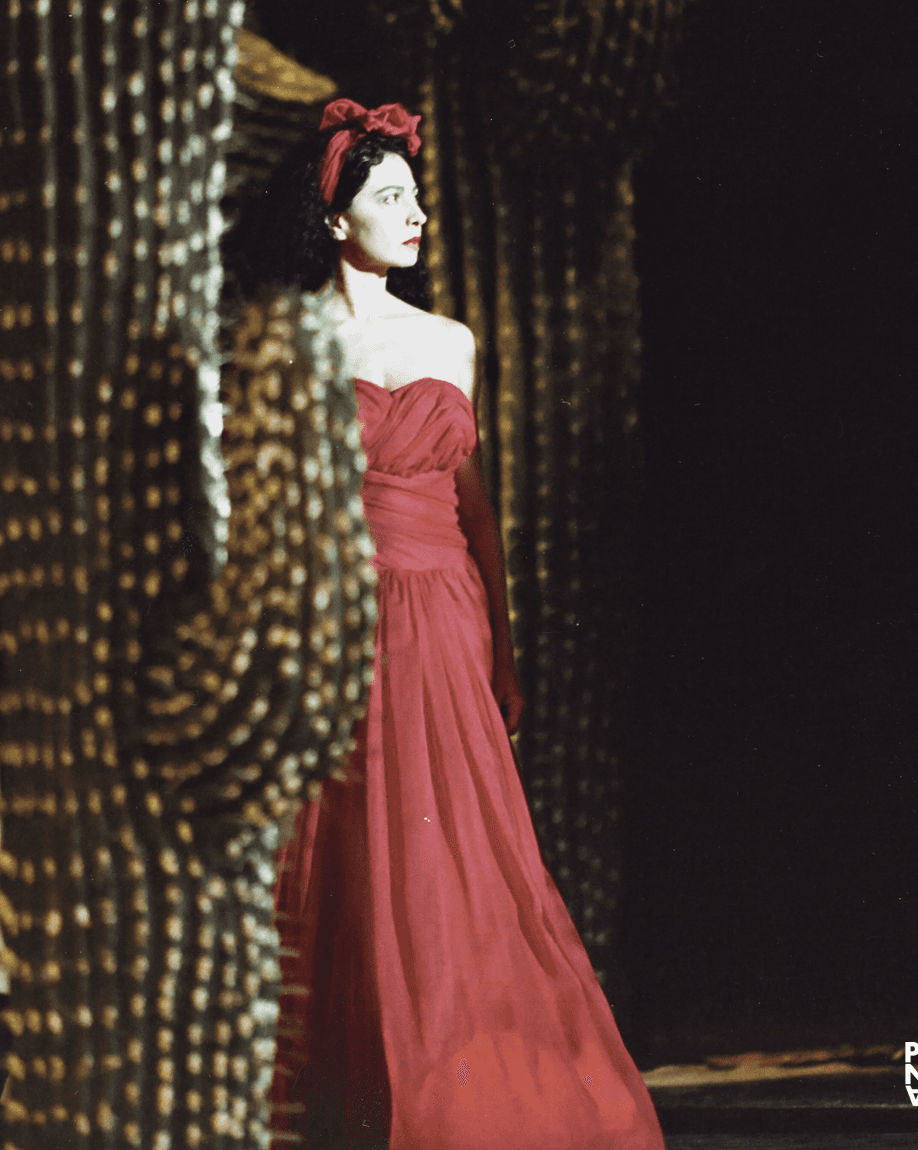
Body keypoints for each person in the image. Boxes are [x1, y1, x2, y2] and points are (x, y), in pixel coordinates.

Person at [269, 99, 665, 1150]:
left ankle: (465, 1091)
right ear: (333, 216)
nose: (416, 217)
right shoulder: (289, 341)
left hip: (444, 620)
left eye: (417, 199)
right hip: (343, 623)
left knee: (459, 865)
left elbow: (475, 508)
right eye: (390, 198)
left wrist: (503, 644)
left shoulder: (451, 338)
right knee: (352, 866)